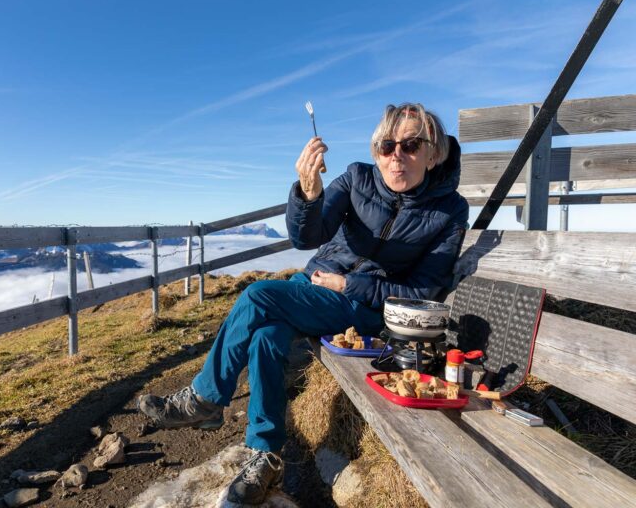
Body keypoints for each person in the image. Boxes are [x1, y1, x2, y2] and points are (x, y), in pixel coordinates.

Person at [138, 103, 469, 505]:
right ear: (375, 150)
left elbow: (422, 293)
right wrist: (308, 195)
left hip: (362, 309)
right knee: (266, 336)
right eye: (386, 145)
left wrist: (350, 284)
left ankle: (205, 398)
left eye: (411, 145)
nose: (396, 155)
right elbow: (306, 236)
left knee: (257, 294)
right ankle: (266, 455)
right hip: (312, 286)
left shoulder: (449, 211)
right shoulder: (357, 178)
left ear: (433, 154)